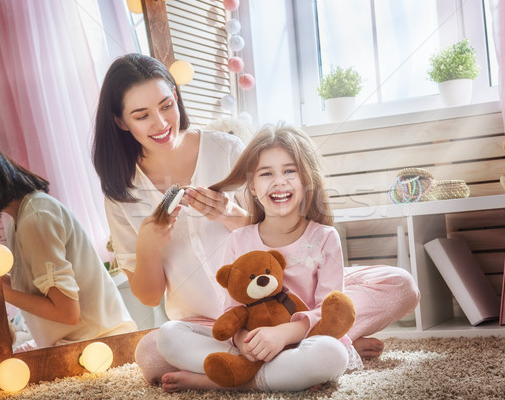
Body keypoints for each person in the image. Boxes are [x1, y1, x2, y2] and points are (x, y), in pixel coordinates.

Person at [145, 123, 421, 392]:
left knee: (331, 353)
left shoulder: (324, 237)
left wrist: (282, 335)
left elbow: (327, 311)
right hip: (253, 343)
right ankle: (274, 372)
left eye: (290, 171)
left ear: (306, 180)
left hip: (303, 340)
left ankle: (230, 380)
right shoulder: (239, 239)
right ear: (252, 186)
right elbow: (232, 310)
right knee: (169, 336)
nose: (279, 182)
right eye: (266, 174)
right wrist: (243, 342)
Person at [91, 53, 249, 376]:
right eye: (142, 115)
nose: (161, 123)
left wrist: (231, 214)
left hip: (260, 308)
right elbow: (149, 297)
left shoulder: (228, 150)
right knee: (152, 351)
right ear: (121, 122)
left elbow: (279, 239)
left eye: (166, 105)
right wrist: (147, 247)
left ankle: (230, 371)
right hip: (200, 327)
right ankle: (258, 362)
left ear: (176, 97)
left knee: (379, 285)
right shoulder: (122, 193)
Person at [0, 151, 136, 349]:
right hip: (80, 343)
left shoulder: (35, 217)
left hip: (98, 345)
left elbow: (67, 312)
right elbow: (27, 288)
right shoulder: (20, 220)